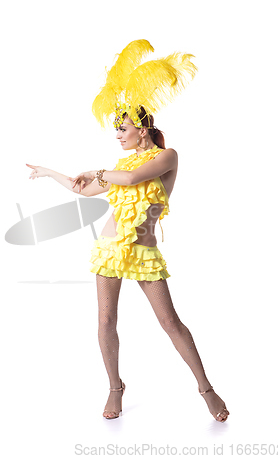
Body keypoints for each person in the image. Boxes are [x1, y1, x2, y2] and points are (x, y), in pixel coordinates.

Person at [26, 40, 230, 423]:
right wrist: (50, 172)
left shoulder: (166, 157)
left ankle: (207, 389)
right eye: (117, 131)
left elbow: (134, 177)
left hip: (144, 250)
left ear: (143, 128)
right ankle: (115, 387)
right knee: (105, 321)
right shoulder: (118, 165)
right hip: (109, 248)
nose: (118, 135)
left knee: (170, 322)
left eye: (122, 129)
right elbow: (82, 188)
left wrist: (99, 171)